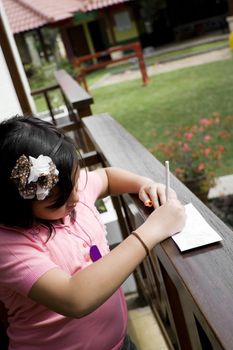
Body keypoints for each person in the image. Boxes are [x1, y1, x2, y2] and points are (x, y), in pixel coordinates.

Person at [0, 115, 186, 350]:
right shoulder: (9, 246)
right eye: (57, 203)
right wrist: (153, 230)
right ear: (15, 206)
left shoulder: (65, 186)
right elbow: (74, 298)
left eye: (76, 183)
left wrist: (145, 185)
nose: (76, 199)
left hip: (120, 343)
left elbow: (107, 177)